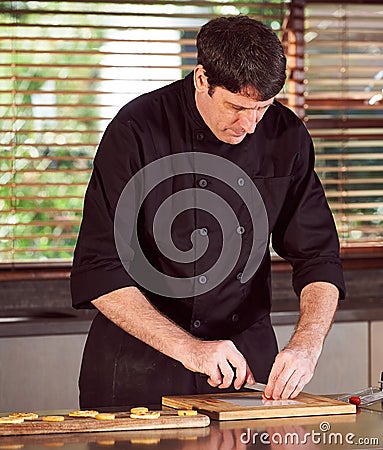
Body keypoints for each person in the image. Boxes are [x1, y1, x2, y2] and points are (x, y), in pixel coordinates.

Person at [71, 15, 345, 408]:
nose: (249, 125)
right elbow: (99, 268)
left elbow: (318, 257)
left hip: (244, 369)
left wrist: (307, 345)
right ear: (202, 79)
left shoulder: (286, 136)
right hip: (138, 368)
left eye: (262, 108)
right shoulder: (136, 130)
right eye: (236, 107)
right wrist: (193, 350)